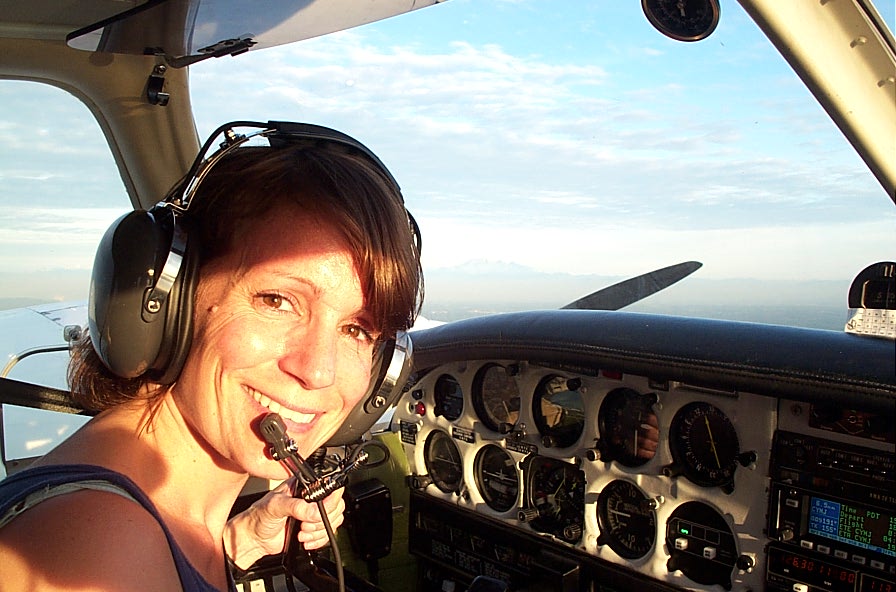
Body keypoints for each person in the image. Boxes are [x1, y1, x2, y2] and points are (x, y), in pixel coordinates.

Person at [0, 122, 424, 591]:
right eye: (276, 301)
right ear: (169, 305)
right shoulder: (99, 554)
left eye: (355, 329)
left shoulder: (136, 523)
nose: (318, 370)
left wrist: (240, 542)